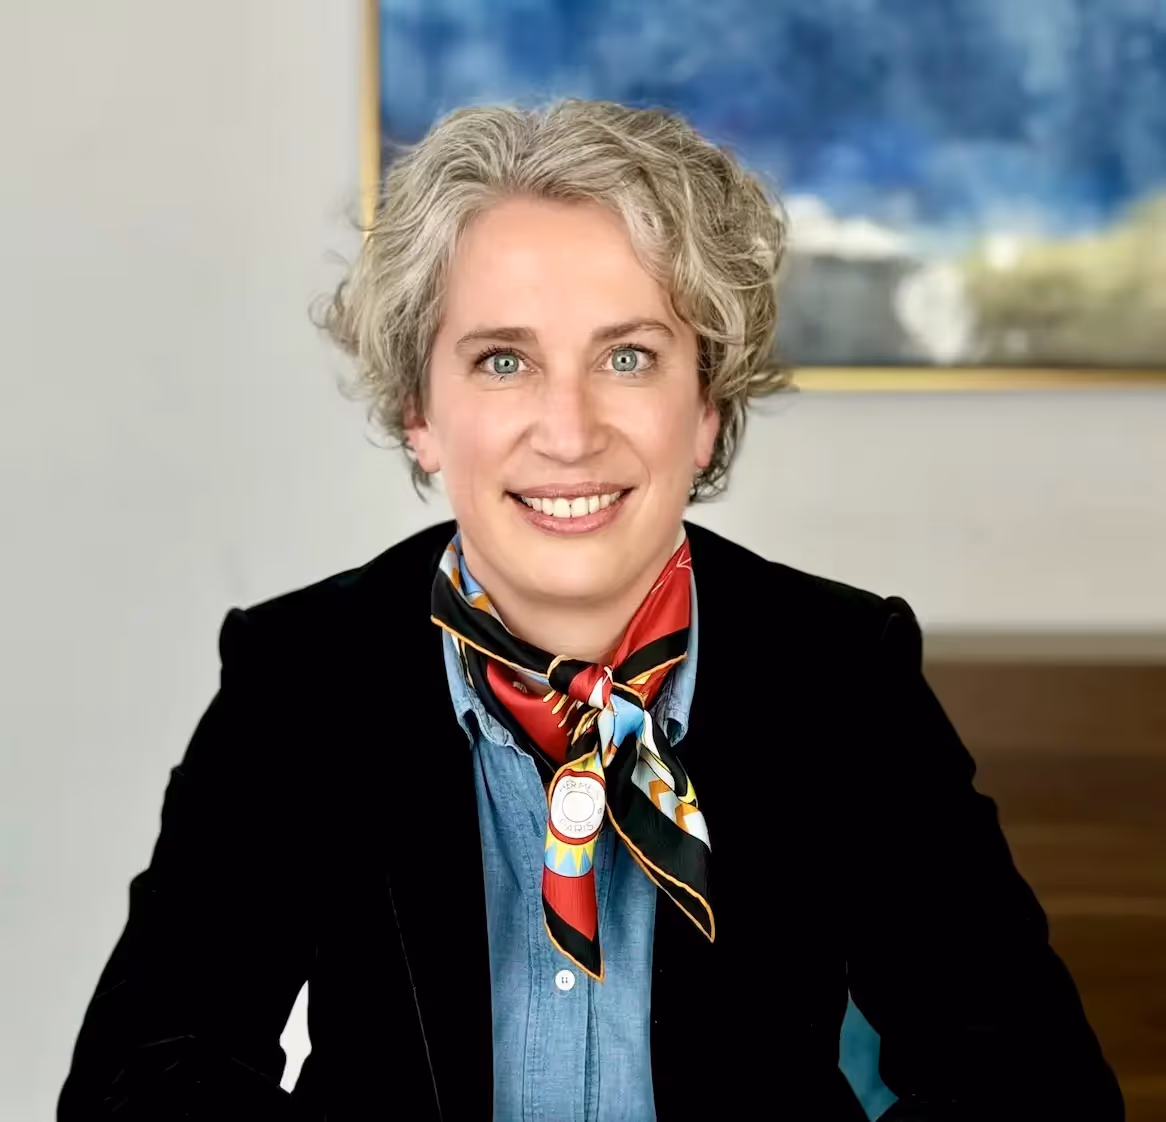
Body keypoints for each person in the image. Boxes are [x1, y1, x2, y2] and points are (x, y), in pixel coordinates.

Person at [58, 99, 1122, 1122]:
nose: (566, 432)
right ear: (419, 413)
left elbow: (1030, 1083)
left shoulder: (840, 673)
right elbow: (141, 1078)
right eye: (503, 360)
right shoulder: (301, 675)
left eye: (627, 357)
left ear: (704, 407)